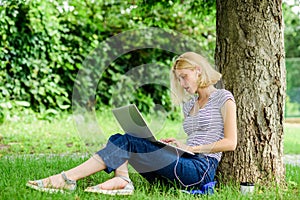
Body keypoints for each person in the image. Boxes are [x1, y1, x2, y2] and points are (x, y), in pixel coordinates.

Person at [26, 51, 237, 195]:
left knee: (129, 141)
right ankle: (122, 179)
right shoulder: (189, 104)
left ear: (198, 70)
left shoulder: (223, 98)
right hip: (182, 163)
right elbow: (200, 133)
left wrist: (191, 147)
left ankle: (68, 179)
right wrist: (178, 143)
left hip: (199, 171)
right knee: (119, 139)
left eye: (184, 77)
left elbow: (230, 142)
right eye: (178, 79)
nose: (182, 84)